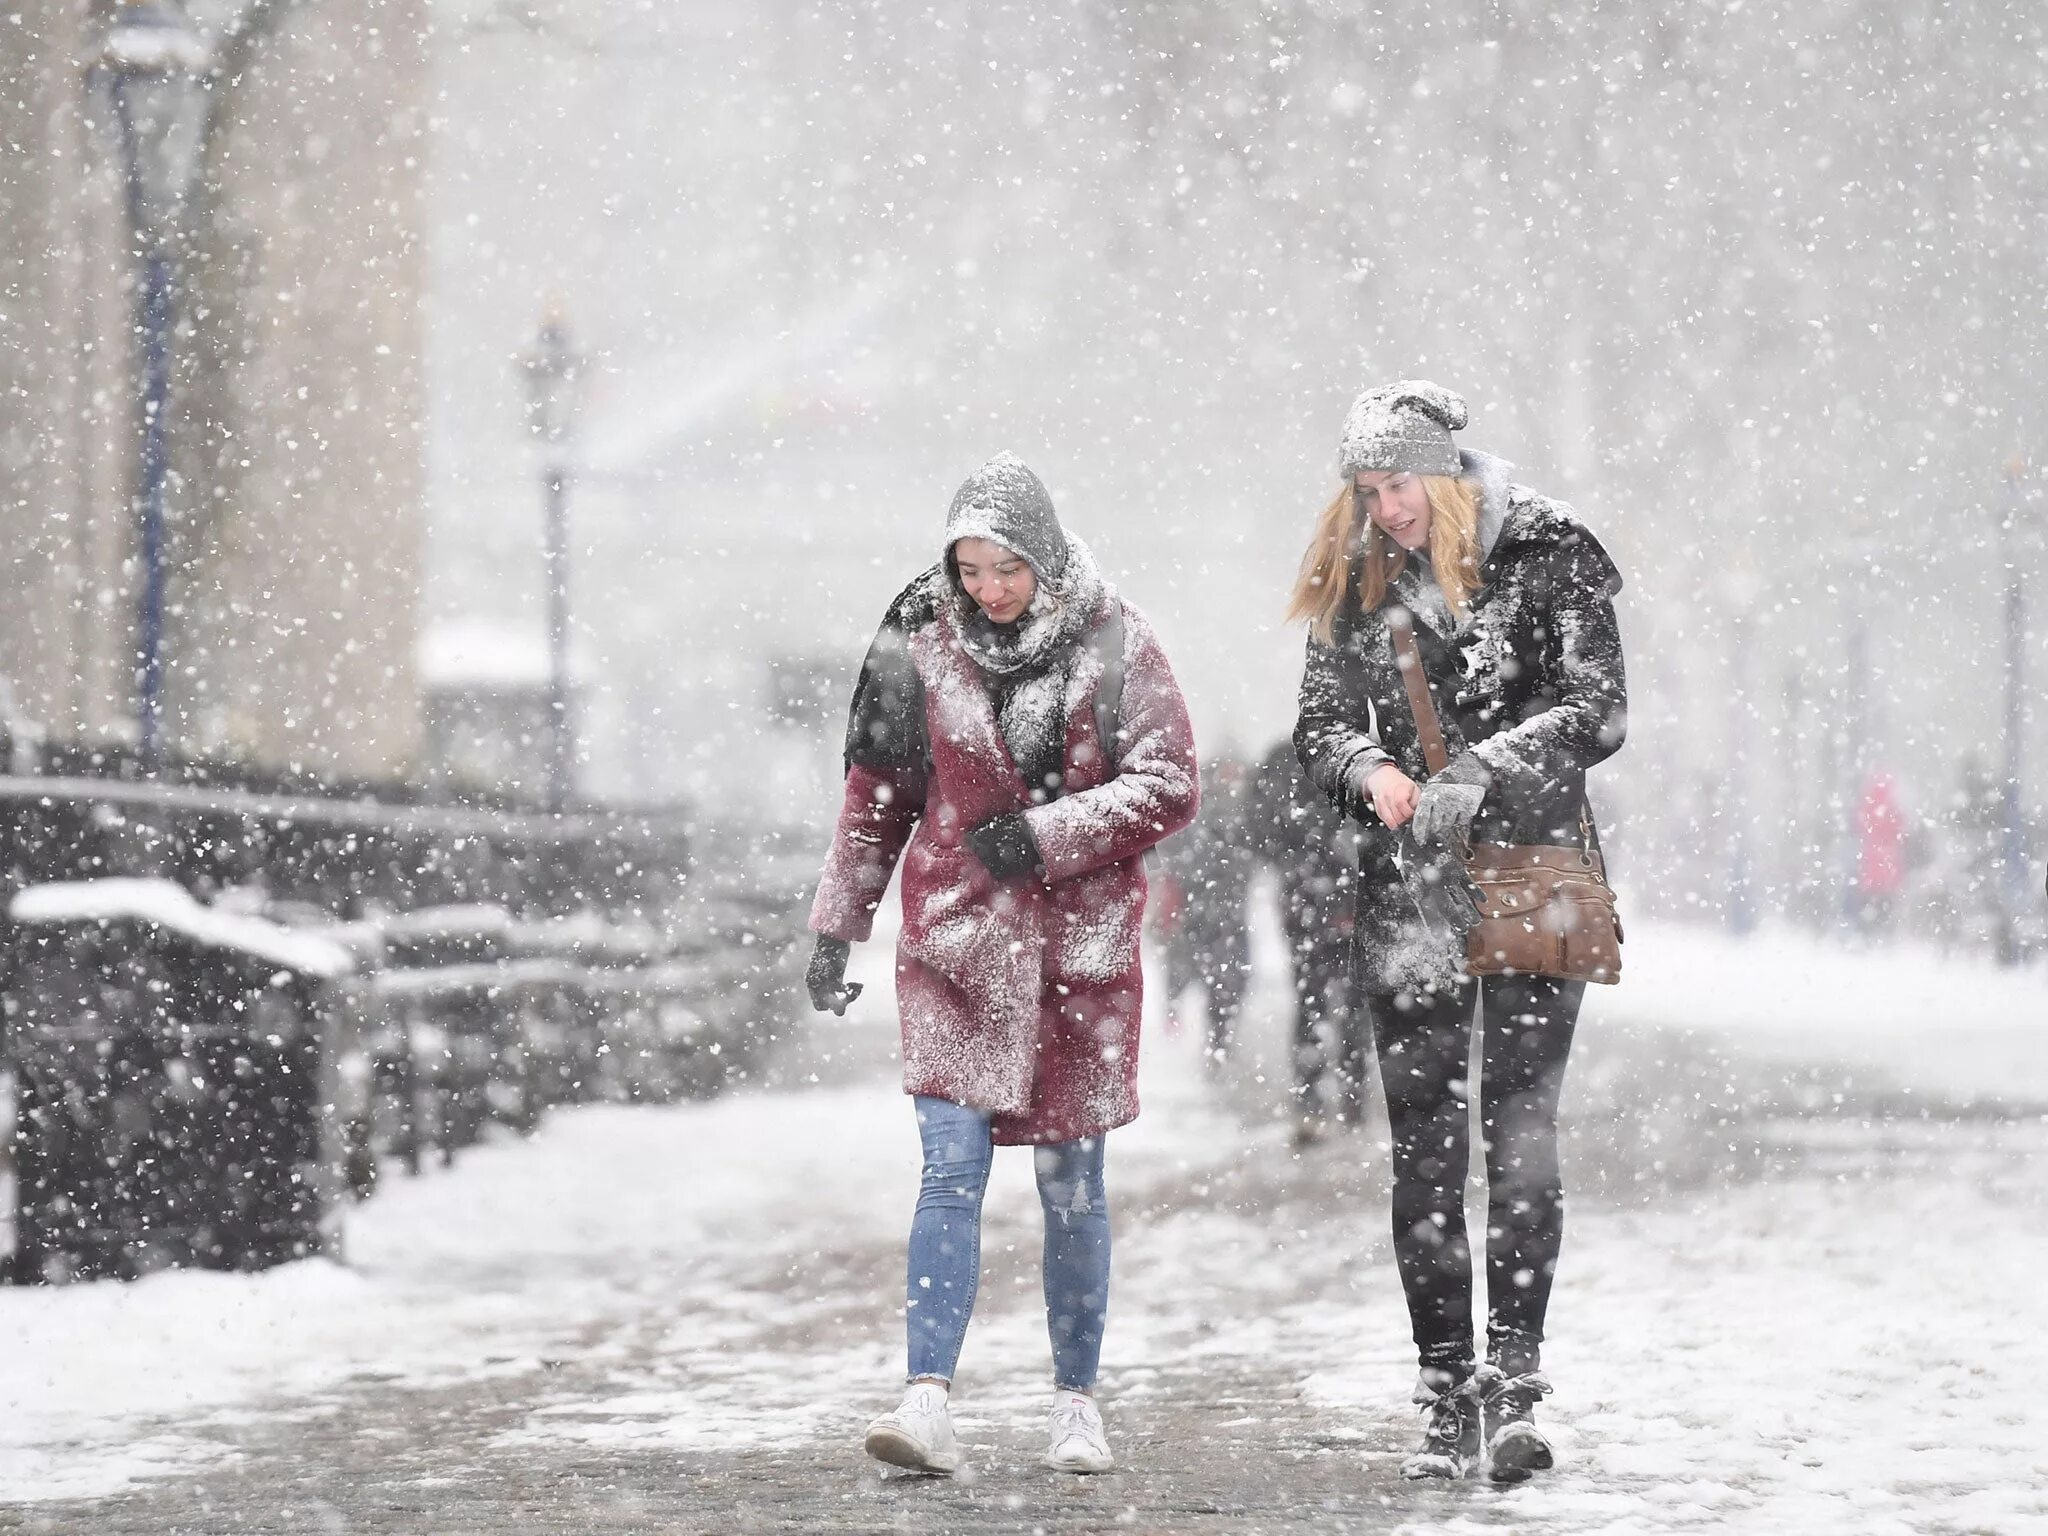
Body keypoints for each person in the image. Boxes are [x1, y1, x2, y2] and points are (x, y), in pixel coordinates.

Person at [805, 452, 1199, 1478]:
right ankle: (924, 1397)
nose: (987, 590)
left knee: (1073, 1186)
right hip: (954, 946)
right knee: (948, 1172)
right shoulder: (916, 641)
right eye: (970, 569)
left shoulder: (1116, 644)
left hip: (1078, 957)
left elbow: (1168, 783)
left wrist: (1047, 836)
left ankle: (1076, 1403)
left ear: (1045, 556)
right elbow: (876, 795)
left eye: (1006, 569)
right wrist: (837, 924)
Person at [1289, 381, 1627, 1483]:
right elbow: (1319, 726)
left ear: (1442, 471)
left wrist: (1484, 767)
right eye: (1367, 489)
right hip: (1410, 885)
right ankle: (1443, 1394)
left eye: (1398, 485)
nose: (1384, 508)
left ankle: (1514, 1384)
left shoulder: (1548, 550)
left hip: (1538, 870)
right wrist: (1366, 771)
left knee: (1520, 1136)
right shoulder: (1355, 575)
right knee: (1424, 1151)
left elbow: (1598, 709)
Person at [1248, 737, 1369, 1146]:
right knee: (1349, 998)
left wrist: (1295, 861)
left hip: (1309, 897)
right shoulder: (1364, 751)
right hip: (1343, 892)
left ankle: (1317, 1102)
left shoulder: (1285, 757)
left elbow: (1257, 828)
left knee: (1315, 995)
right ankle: (1347, 1098)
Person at [1153, 755, 1257, 1064]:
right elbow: (1177, 853)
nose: (1231, 779)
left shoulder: (1243, 812)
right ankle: (1199, 1032)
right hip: (1199, 907)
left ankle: (1218, 1041)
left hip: (1226, 910)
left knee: (1227, 978)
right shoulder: (1199, 811)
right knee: (1197, 969)